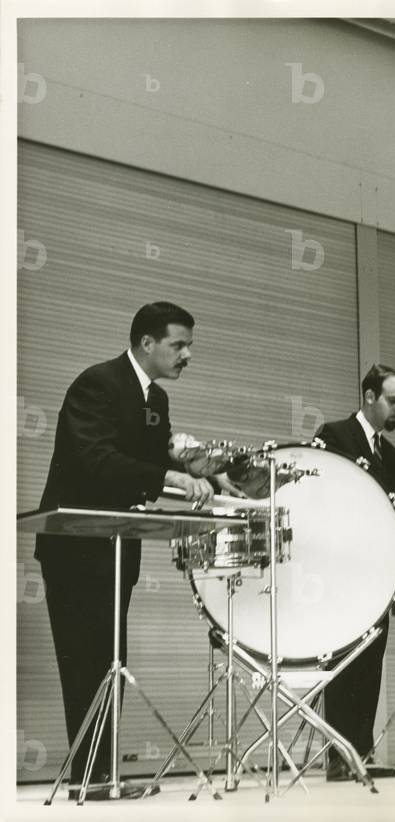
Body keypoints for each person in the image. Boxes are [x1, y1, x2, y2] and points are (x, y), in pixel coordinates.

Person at [35, 302, 234, 800]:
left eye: (189, 346)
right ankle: (88, 778)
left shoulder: (156, 399)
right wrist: (170, 476)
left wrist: (209, 473)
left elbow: (152, 457)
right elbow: (97, 458)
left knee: (111, 661)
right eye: (178, 345)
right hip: (77, 546)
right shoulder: (96, 384)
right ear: (147, 343)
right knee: (87, 663)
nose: (187, 355)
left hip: (119, 545)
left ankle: (102, 774)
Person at [315, 364, 395, 781]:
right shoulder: (334, 435)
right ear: (369, 397)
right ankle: (338, 755)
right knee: (344, 662)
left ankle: (360, 751)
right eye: (393, 401)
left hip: (378, 572)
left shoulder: (392, 455)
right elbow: (331, 494)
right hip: (342, 569)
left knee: (371, 661)